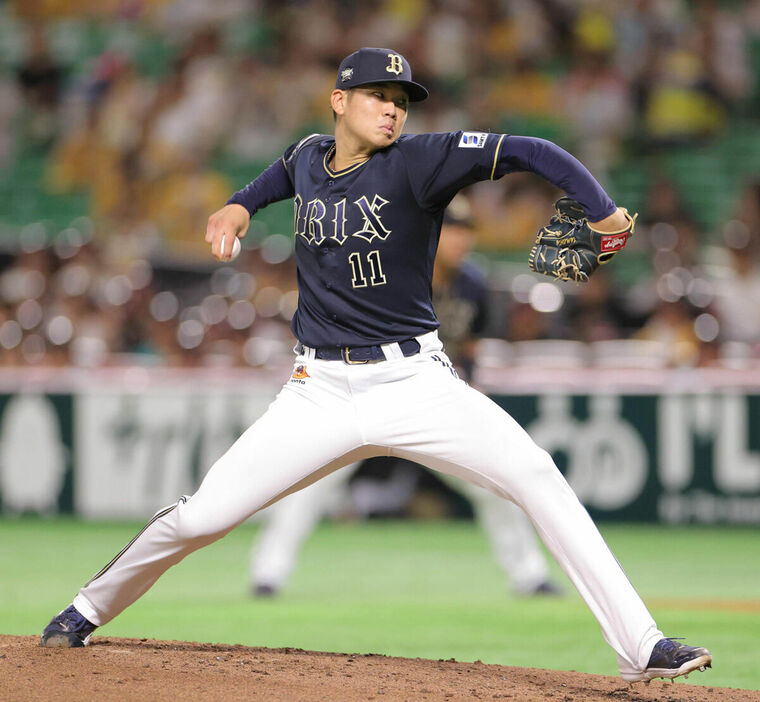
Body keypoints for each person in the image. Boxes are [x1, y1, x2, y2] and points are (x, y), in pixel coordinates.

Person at [41, 47, 711, 684]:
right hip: (318, 390)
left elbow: (531, 151)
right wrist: (241, 202)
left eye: (401, 100)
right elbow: (283, 172)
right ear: (339, 100)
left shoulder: (422, 160)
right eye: (377, 96)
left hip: (414, 381)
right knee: (201, 518)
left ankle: (642, 645)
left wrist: (600, 208)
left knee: (536, 476)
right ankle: (84, 611)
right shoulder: (309, 157)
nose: (392, 109)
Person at [251, 205, 561, 599]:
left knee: (495, 482)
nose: (461, 239)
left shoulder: (474, 287)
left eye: (467, 230)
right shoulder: (388, 274)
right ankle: (268, 574)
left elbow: (470, 349)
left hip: (430, 403)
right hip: (363, 395)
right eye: (452, 229)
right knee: (311, 482)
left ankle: (529, 576)